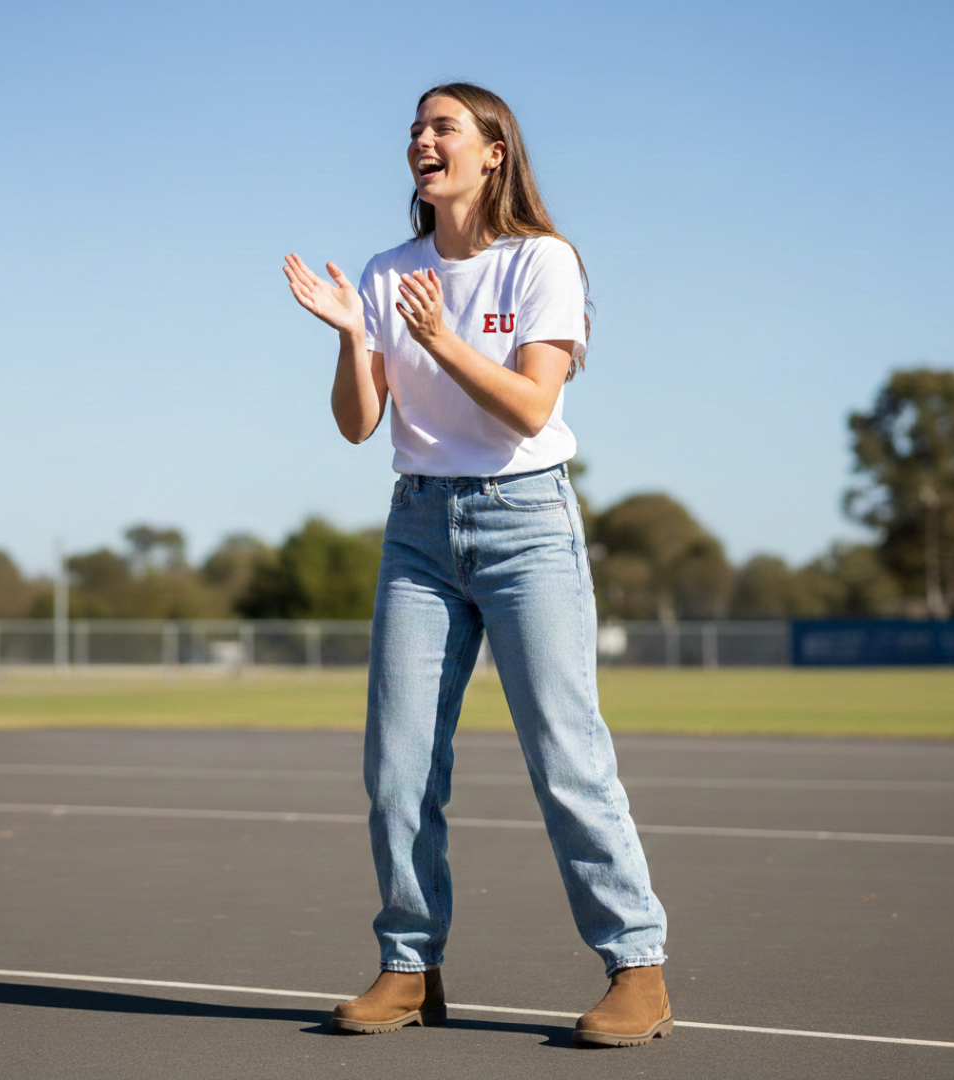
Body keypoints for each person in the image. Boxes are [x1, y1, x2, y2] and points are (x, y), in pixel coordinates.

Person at [283, 82, 670, 1049]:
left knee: (565, 754)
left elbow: (533, 409)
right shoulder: (386, 271)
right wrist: (351, 334)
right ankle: (410, 968)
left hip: (526, 524)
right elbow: (359, 423)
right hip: (417, 529)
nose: (422, 138)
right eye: (415, 127)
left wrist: (442, 341)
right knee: (398, 764)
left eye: (443, 126)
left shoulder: (544, 261)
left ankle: (638, 968)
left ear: (493, 151)